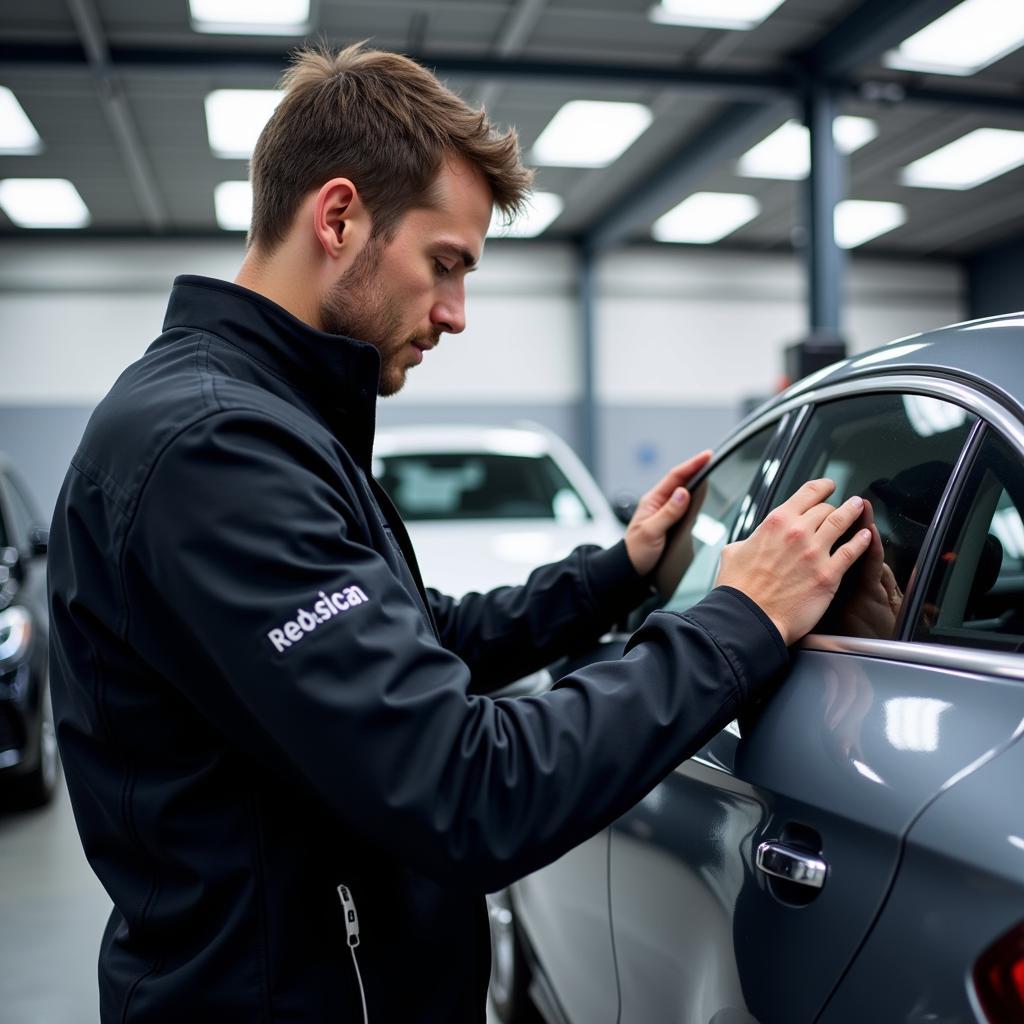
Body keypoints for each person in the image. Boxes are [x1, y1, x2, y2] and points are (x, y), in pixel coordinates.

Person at [48, 44, 875, 1023]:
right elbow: (469, 785)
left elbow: (418, 644)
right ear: (340, 215)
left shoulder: (259, 420)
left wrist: (616, 572)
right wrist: (740, 619)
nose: (455, 314)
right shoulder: (214, 450)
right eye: (445, 265)